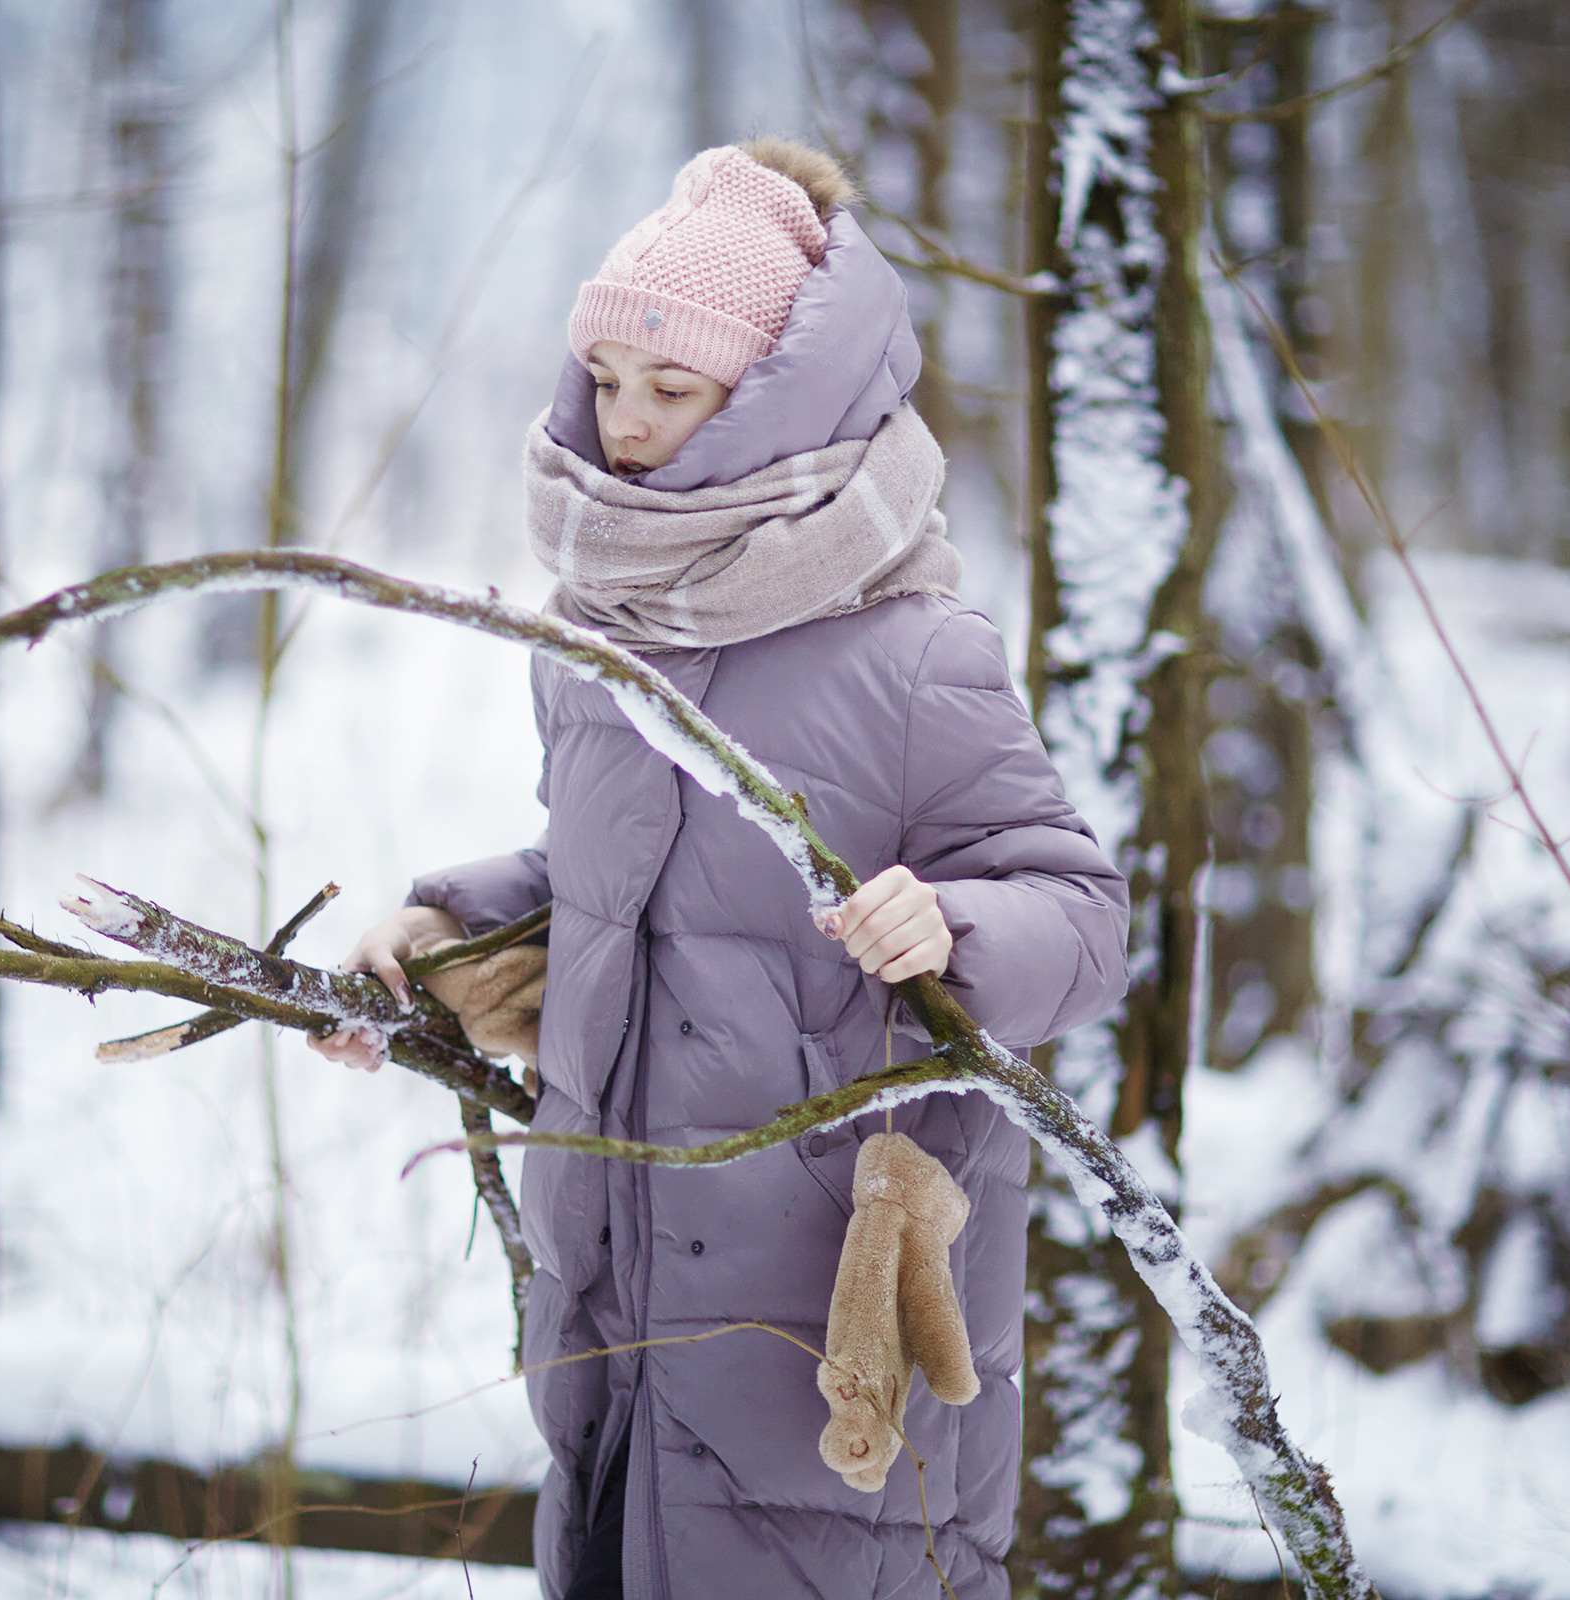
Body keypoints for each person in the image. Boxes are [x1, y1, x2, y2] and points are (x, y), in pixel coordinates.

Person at [313, 139, 1128, 1599]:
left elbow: (1082, 914)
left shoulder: (914, 654)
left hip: (823, 1337)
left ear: (769, 400)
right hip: (612, 1317)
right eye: (606, 378)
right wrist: (442, 936)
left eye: (672, 389)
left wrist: (953, 924)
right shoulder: (591, 637)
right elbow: (615, 883)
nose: (624, 423)